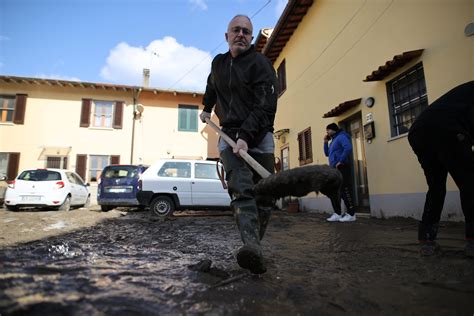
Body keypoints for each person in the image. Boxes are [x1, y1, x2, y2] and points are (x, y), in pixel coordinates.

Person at [200, 14, 278, 274]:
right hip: (228, 136)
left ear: (252, 37)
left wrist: (246, 136)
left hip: (259, 137)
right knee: (242, 189)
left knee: (264, 196)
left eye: (246, 31)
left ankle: (253, 245)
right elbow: (212, 86)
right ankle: (252, 247)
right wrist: (207, 108)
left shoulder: (261, 64)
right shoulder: (218, 64)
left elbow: (266, 106)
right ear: (227, 36)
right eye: (236, 30)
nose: (241, 34)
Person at [408, 81, 474, 257]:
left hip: (418, 131)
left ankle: (427, 241)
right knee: (469, 183)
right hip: (447, 128)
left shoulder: (462, 92)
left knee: (436, 186)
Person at [323, 123, 356, 222]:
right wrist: (325, 142)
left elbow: (348, 147)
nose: (327, 132)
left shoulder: (341, 136)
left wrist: (341, 160)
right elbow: (327, 153)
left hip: (342, 167)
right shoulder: (333, 141)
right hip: (334, 170)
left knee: (345, 190)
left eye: (328, 130)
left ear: (333, 129)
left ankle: (351, 214)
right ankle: (337, 213)